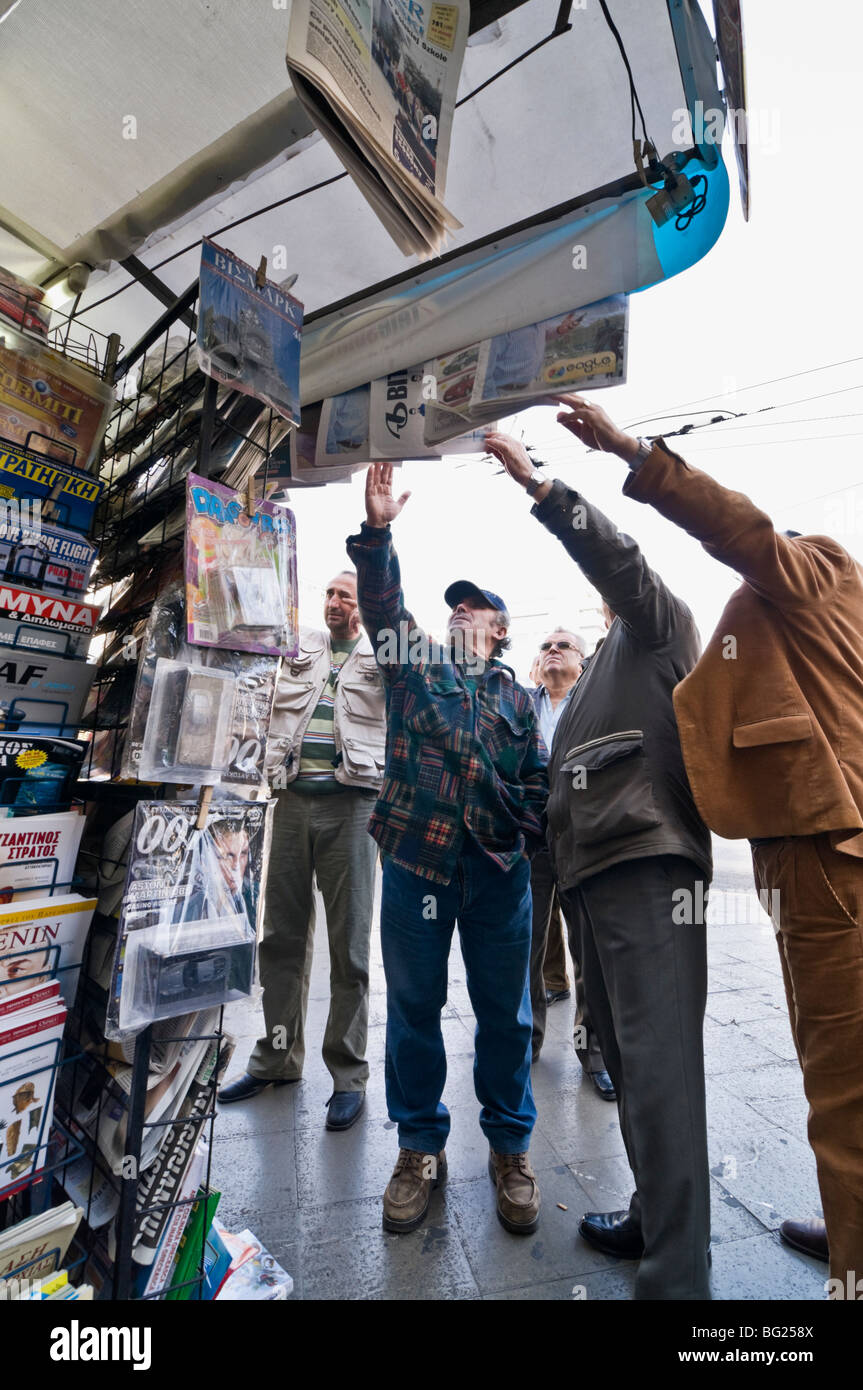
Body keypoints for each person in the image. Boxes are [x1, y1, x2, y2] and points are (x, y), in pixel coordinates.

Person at [553, 391, 863, 1291]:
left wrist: (636, 456)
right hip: (819, 851)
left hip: (829, 854)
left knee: (841, 1087)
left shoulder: (820, 569)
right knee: (837, 1074)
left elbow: (747, 536)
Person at [485, 427, 713, 1301]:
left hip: (646, 871)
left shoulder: (655, 622)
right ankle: (654, 1220)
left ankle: (677, 1281)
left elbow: (620, 558)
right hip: (593, 882)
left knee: (659, 1073)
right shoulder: (590, 674)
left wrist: (543, 490)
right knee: (628, 1063)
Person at [346, 462, 548, 1235]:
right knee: (412, 1013)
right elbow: (383, 603)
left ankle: (509, 1149)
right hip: (415, 870)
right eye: (454, 607)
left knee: (507, 1018)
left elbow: (536, 781)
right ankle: (419, 1151)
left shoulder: (518, 699)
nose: (460, 614)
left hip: (498, 878)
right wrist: (378, 533)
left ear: (499, 629)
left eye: (476, 609)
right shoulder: (413, 667)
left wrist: (516, 829)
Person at [218, 570, 386, 1133]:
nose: (335, 602)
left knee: (350, 947)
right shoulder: (302, 646)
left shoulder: (386, 653)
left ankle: (347, 1075)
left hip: (354, 809)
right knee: (281, 938)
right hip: (290, 803)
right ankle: (278, 1058)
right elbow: (253, 641)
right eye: (330, 593)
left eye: (347, 595)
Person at [527, 629, 613, 1098]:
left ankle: (594, 1052)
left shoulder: (596, 702)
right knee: (527, 950)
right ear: (536, 662)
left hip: (584, 838)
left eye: (564, 645)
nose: (553, 649)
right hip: (532, 841)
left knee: (590, 954)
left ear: (583, 661)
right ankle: (526, 1044)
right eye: (546, 645)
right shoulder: (520, 702)